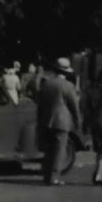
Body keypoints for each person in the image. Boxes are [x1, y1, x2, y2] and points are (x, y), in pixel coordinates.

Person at [35, 57, 81, 186]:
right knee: (59, 150)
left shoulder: (46, 84)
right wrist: (78, 122)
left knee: (48, 150)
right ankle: (54, 177)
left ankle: (46, 175)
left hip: (46, 120)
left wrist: (40, 120)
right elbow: (74, 106)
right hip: (62, 122)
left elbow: (40, 105)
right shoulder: (68, 86)